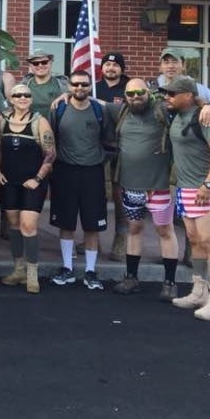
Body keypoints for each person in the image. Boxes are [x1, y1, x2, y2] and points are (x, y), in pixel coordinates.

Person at [164, 76, 210, 321]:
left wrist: (208, 184)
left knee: (209, 241)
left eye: (173, 93)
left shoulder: (205, 117)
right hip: (185, 187)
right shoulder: (177, 114)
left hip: (205, 188)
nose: (167, 97)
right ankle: (199, 290)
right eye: (166, 93)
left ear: (188, 95)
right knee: (194, 240)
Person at [110, 78, 179, 300]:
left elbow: (190, 104)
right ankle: (131, 277)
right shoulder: (121, 111)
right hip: (130, 184)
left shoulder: (162, 109)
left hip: (158, 184)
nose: (135, 96)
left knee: (164, 230)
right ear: (125, 96)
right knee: (134, 228)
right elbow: (93, 102)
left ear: (148, 92)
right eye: (130, 94)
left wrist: (207, 106)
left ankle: (170, 282)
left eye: (140, 92)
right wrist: (65, 95)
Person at [48, 70, 113, 290]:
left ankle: (90, 271)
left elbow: (107, 138)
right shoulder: (60, 108)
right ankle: (67, 267)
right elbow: (51, 137)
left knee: (91, 224)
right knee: (65, 222)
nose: (79, 88)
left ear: (89, 87)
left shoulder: (98, 110)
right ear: (69, 86)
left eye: (84, 85)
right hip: (65, 170)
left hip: (92, 172)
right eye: (75, 84)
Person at [0, 83, 55, 294]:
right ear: (11, 98)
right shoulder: (2, 121)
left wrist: (38, 178)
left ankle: (31, 273)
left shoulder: (40, 122)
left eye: (26, 95)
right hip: (9, 181)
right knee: (13, 223)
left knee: (28, 225)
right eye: (17, 95)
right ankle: (18, 268)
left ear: (31, 98)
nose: (22, 97)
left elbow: (50, 154)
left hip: (32, 182)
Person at [94, 52, 130, 262]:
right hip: (99, 146)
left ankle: (121, 237)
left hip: (122, 148)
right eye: (107, 64)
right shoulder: (95, 87)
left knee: (120, 196)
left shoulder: (129, 89)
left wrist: (104, 104)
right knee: (97, 194)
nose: (111, 68)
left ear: (121, 69)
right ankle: (93, 235)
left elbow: (129, 110)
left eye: (115, 65)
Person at [23, 48, 68, 116]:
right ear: (30, 66)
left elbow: (78, 97)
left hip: (56, 125)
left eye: (44, 62)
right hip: (31, 125)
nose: (40, 65)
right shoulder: (24, 85)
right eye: (35, 63)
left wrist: (68, 95)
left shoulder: (62, 83)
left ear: (51, 62)